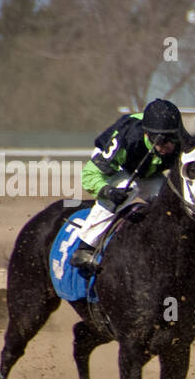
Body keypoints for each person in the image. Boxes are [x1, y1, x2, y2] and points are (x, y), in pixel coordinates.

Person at [70, 98, 184, 273]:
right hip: (115, 166)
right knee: (127, 187)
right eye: (162, 141)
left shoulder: (176, 140)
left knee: (169, 198)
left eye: (172, 140)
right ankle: (85, 248)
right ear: (147, 134)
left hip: (147, 171)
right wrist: (107, 191)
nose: (169, 147)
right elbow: (89, 175)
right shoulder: (129, 138)